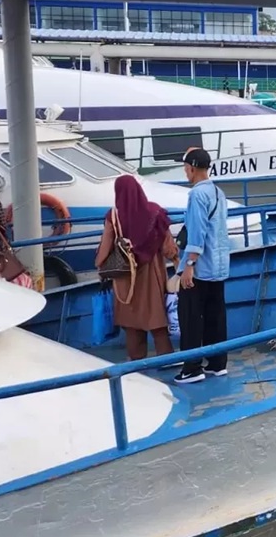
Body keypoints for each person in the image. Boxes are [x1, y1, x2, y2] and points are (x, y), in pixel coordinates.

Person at [96, 176, 179, 362]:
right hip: (152, 274)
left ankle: (137, 361)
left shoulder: (113, 216)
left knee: (131, 322)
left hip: (126, 277)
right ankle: (166, 359)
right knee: (156, 319)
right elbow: (168, 247)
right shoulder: (155, 212)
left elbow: (105, 248)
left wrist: (100, 265)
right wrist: (175, 259)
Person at [174, 148, 231, 385]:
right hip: (219, 266)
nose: (185, 172)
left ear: (192, 168)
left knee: (190, 317)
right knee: (215, 315)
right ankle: (218, 363)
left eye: (186, 167)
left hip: (200, 266)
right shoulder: (218, 192)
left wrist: (189, 264)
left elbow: (197, 232)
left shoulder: (197, 195)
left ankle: (192, 368)